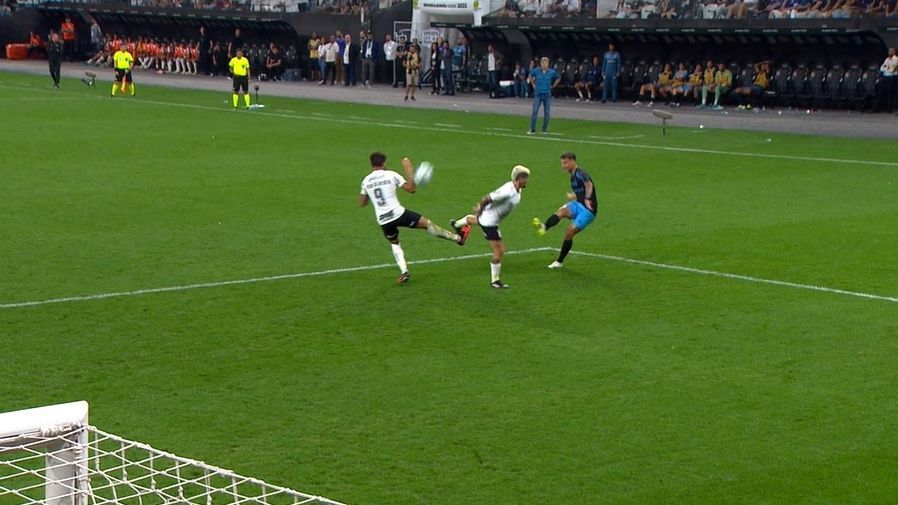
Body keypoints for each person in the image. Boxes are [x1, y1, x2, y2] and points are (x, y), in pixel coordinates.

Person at [359, 152, 469, 285]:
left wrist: (371, 192)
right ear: (383, 163)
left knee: (394, 242)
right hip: (399, 214)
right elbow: (411, 189)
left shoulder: (366, 181)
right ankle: (458, 238)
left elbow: (362, 203)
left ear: (372, 164)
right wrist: (409, 171)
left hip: (383, 220)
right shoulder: (391, 174)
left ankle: (404, 271)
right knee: (427, 224)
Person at [450, 165, 530, 289]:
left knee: (477, 220)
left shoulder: (516, 189)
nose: (527, 181)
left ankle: (457, 224)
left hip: (489, 217)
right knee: (500, 250)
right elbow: (487, 198)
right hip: (490, 222)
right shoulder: (508, 191)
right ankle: (495, 281)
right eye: (526, 178)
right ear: (520, 179)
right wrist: (480, 209)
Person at [532, 151, 597, 269]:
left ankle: (559, 262)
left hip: (588, 210)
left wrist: (587, 198)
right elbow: (581, 190)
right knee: (561, 211)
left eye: (565, 163)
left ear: (573, 161)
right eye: (562, 163)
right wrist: (575, 196)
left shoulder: (581, 173)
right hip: (578, 204)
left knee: (569, 232)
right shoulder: (573, 174)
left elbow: (589, 185)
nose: (563, 166)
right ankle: (544, 227)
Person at [527, 56, 561, 135]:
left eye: (546, 62)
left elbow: (558, 78)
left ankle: (544, 129)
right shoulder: (536, 71)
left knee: (547, 112)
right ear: (541, 63)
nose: (544, 64)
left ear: (548, 63)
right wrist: (533, 84)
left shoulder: (551, 72)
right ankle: (532, 129)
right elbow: (530, 75)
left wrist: (553, 86)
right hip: (538, 94)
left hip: (547, 94)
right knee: (535, 111)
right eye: (543, 62)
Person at [878, 47, 898, 113]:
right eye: (889, 51)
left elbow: (892, 70)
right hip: (885, 76)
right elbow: (881, 68)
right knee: (882, 91)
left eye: (891, 51)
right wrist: (887, 68)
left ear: (894, 52)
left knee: (890, 92)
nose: (890, 52)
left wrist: (886, 68)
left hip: (892, 77)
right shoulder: (887, 59)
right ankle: (882, 106)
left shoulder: (896, 59)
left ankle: (890, 108)